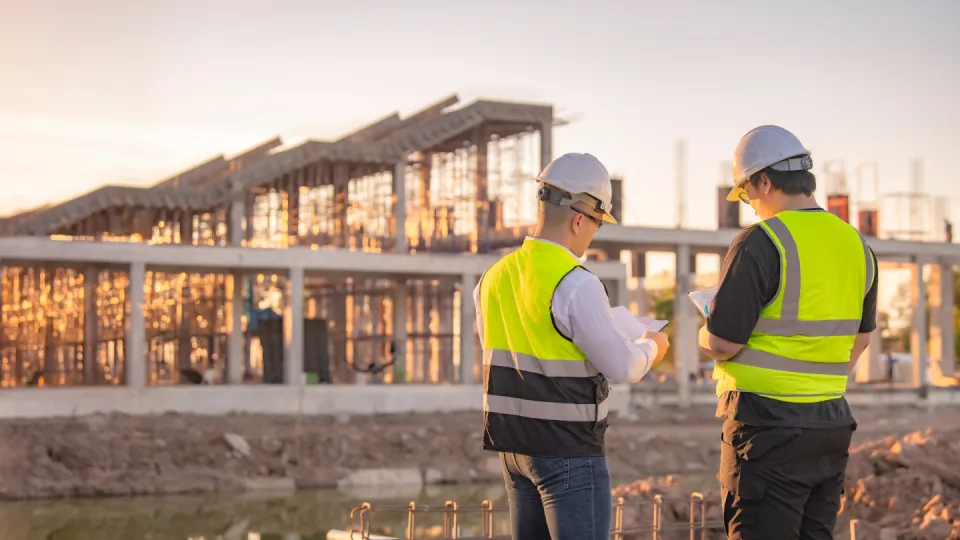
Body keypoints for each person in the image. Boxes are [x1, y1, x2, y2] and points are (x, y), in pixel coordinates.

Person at [475, 152, 670, 540]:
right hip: (567, 451)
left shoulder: (492, 277)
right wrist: (652, 347)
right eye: (597, 223)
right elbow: (622, 367)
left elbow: (524, 347)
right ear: (581, 218)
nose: (594, 232)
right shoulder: (577, 283)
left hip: (513, 449)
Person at [698, 125, 878, 539]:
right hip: (830, 425)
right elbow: (861, 338)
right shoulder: (857, 245)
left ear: (763, 180)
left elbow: (724, 341)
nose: (750, 204)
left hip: (766, 429)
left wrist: (703, 334)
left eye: (746, 193)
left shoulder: (762, 242)